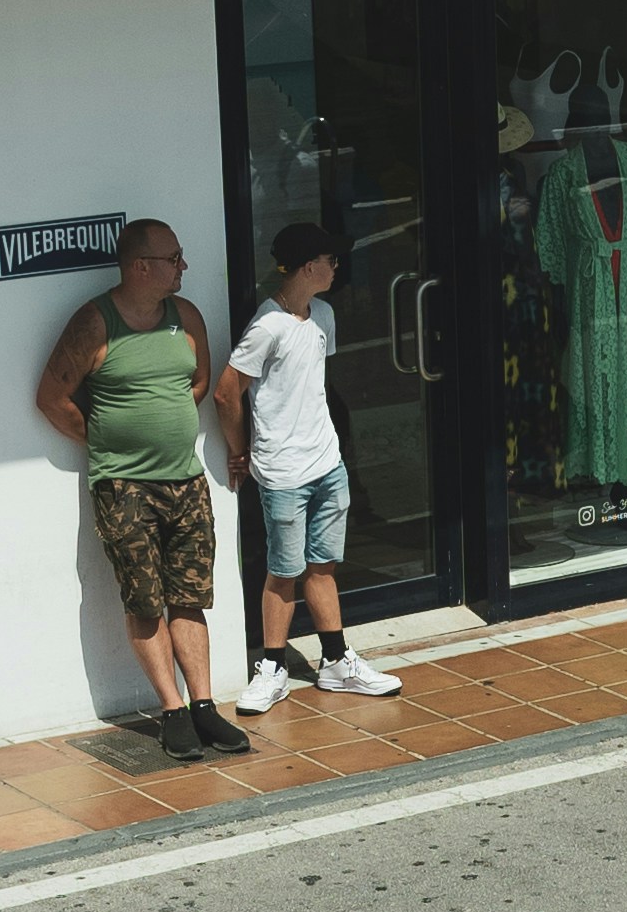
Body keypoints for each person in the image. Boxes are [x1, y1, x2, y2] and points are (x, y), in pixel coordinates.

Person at [36, 216, 246, 760]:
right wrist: (107, 440)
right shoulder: (95, 324)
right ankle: (172, 710)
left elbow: (198, 382)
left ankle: (204, 706)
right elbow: (52, 399)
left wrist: (160, 423)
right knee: (145, 600)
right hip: (123, 487)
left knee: (190, 598)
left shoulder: (186, 316)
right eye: (173, 258)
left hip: (186, 480)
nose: (183, 266)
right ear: (140, 267)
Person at [215, 223, 400, 708]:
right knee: (283, 572)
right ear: (307, 266)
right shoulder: (267, 326)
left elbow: (313, 385)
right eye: (330, 260)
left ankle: (336, 663)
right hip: (283, 473)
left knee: (322, 567)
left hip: (327, 465)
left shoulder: (324, 315)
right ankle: (272, 668)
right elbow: (226, 392)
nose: (337, 268)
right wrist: (241, 451)